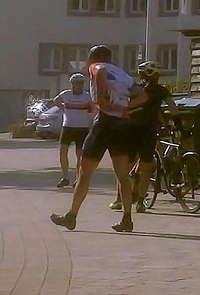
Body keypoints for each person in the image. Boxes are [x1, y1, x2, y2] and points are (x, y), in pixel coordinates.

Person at [51, 45, 148, 234]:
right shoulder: (123, 75)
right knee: (122, 174)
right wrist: (125, 108)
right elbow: (143, 95)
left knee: (84, 172)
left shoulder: (97, 67)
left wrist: (102, 99)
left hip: (103, 124)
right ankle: (127, 218)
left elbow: (100, 71)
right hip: (120, 125)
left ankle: (71, 215)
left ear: (92, 59)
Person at [116, 60, 174, 212]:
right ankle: (141, 202)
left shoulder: (134, 89)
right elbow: (173, 109)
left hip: (130, 130)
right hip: (148, 132)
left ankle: (118, 199)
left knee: (124, 167)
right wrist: (171, 121)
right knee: (146, 167)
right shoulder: (161, 90)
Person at [51, 73, 96, 188]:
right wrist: (63, 107)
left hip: (82, 128)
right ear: (72, 84)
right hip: (68, 126)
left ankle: (78, 179)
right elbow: (56, 100)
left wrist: (91, 124)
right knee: (62, 151)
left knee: (80, 155)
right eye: (76, 84)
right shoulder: (66, 94)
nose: (79, 86)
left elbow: (92, 110)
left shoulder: (87, 96)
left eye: (81, 83)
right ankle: (65, 177)